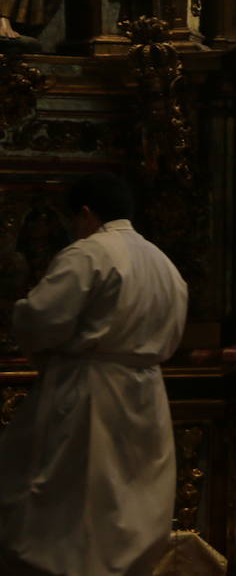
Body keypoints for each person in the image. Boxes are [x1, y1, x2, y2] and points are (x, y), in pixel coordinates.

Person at [0, 173, 188, 576]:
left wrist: (21, 318)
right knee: (133, 509)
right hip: (148, 393)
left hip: (92, 392)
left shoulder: (89, 253)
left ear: (85, 214)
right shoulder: (163, 263)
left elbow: (41, 317)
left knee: (77, 511)